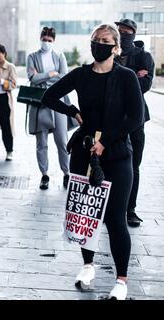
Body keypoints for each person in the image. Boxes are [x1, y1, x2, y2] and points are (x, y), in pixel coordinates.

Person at [42, 24, 144, 300]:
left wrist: (105, 140)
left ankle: (121, 281)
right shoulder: (81, 75)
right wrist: (73, 111)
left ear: (116, 47)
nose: (98, 44)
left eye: (105, 41)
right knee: (86, 215)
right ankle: (87, 266)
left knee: (115, 218)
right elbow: (48, 96)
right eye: (95, 40)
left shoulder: (126, 77)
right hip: (84, 153)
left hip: (117, 154)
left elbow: (135, 117)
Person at [114, 18, 155, 228]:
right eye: (118, 30)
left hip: (136, 119)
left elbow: (145, 85)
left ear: (133, 33)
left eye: (125, 31)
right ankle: (112, 209)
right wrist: (133, 77)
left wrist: (121, 80)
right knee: (111, 164)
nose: (121, 33)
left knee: (133, 165)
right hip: (112, 119)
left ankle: (130, 210)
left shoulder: (144, 56)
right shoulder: (111, 53)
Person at [27, 27, 73, 190]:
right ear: (40, 38)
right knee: (42, 142)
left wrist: (43, 77)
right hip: (40, 103)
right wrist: (51, 74)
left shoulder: (59, 56)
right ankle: (44, 175)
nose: (46, 42)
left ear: (53, 41)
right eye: (44, 39)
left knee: (62, 140)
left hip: (58, 102)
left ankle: (66, 173)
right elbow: (32, 77)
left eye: (49, 40)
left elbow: (65, 77)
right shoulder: (32, 57)